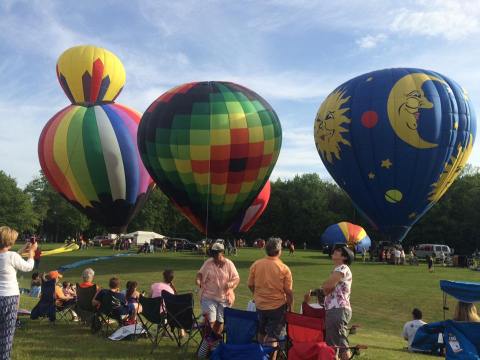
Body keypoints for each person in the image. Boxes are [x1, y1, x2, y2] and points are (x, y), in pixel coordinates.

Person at [248, 237, 293, 360]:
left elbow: (250, 285)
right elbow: (288, 291)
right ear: (279, 251)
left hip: (260, 305)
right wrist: (290, 305)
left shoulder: (256, 264)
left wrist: (257, 294)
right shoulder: (284, 268)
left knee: (261, 332)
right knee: (273, 336)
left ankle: (259, 356)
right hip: (277, 307)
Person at [0, 226, 35, 360]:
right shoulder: (12, 256)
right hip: (9, 298)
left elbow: (8, 257)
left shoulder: (11, 256)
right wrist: (31, 252)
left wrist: (22, 250)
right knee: (7, 332)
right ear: (10, 241)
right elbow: (28, 267)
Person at [196, 242, 240, 336]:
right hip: (209, 296)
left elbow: (236, 278)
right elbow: (200, 274)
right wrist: (198, 280)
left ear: (222, 252)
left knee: (220, 321)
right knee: (210, 322)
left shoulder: (229, 264)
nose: (215, 256)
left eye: (217, 253)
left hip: (224, 298)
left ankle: (214, 342)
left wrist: (231, 283)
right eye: (213, 253)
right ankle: (207, 343)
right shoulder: (208, 262)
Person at [322, 246, 354, 360]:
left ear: (345, 257)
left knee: (332, 345)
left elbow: (328, 286)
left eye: (339, 251)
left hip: (337, 309)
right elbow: (327, 287)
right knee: (342, 344)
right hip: (339, 310)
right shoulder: (339, 269)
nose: (335, 251)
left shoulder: (342, 268)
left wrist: (325, 288)